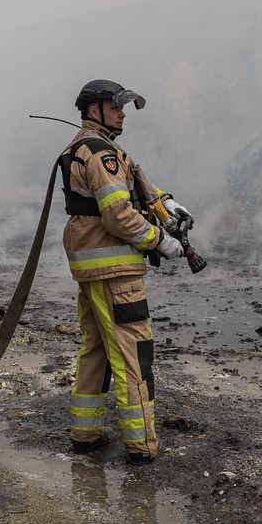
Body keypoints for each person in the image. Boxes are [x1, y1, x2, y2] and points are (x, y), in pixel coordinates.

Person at [58, 79, 193, 463]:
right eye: (115, 106)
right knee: (135, 351)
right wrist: (158, 240)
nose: (122, 113)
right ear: (93, 110)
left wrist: (166, 202)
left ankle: (85, 433)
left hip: (96, 265)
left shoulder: (94, 148)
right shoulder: (100, 153)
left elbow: (131, 187)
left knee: (97, 350)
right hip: (114, 268)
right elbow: (118, 214)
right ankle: (142, 444)